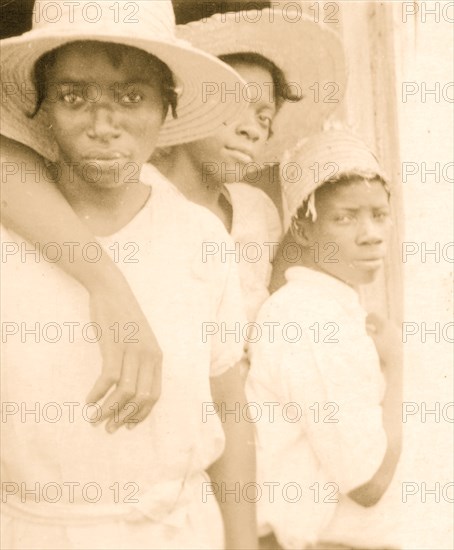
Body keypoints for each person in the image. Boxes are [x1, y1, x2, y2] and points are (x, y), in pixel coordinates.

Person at [1, 2, 257, 548]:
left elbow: (230, 408)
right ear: (41, 110)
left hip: (180, 531)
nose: (103, 125)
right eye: (73, 97)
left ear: (169, 109)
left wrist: (243, 542)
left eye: (131, 97)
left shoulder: (199, 238)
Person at [246, 130, 403, 549]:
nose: (370, 233)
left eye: (379, 214)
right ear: (302, 229)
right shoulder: (309, 319)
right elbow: (367, 483)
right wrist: (395, 364)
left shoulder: (331, 309)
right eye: (345, 217)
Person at [151, 6, 346, 322]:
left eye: (264, 117)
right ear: (184, 104)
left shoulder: (257, 210)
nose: (251, 129)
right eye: (233, 102)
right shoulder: (143, 197)